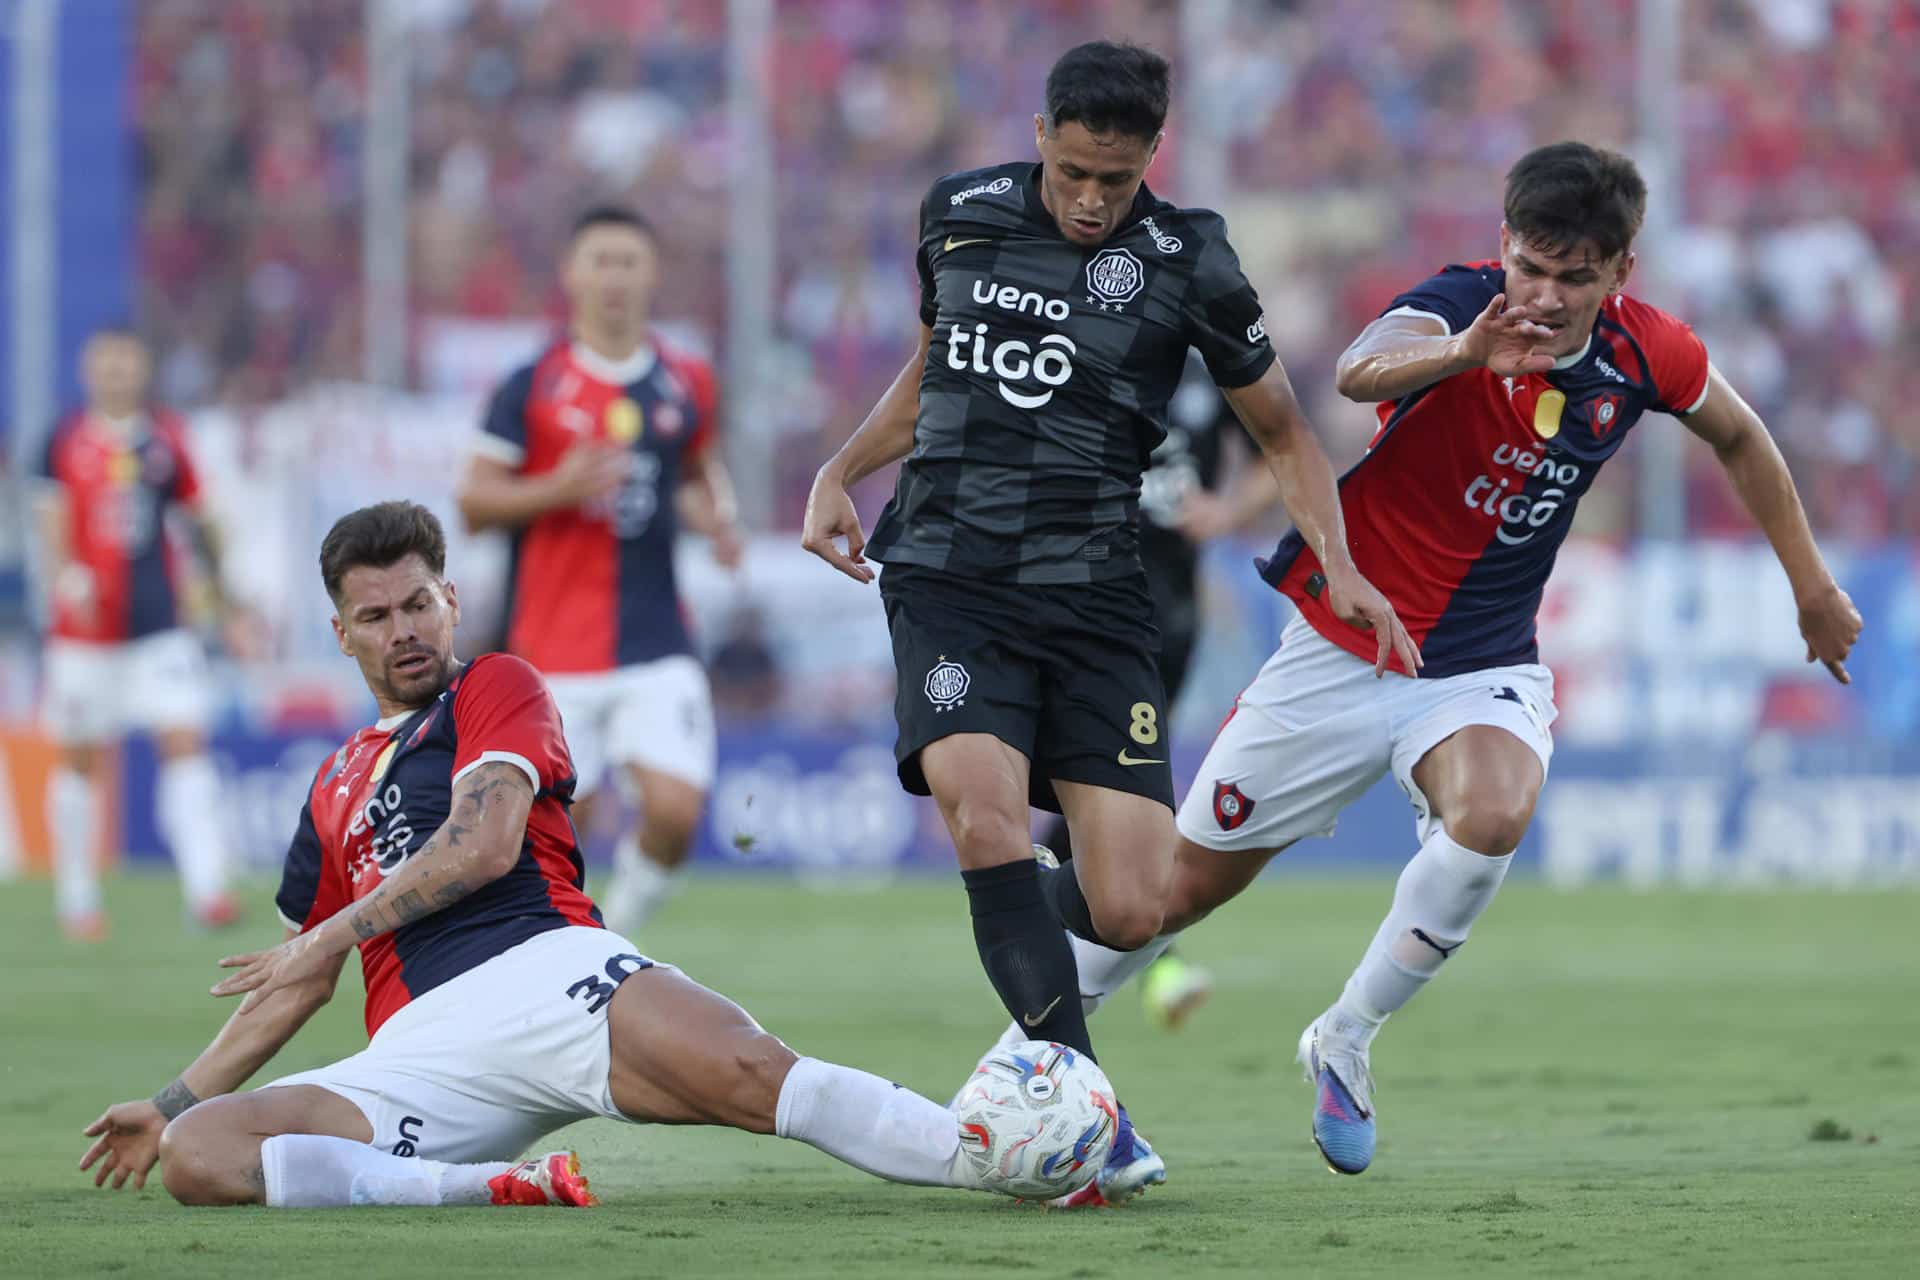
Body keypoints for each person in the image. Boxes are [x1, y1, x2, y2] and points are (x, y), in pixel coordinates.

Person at [976, 141, 1864, 1177]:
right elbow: (1359, 369)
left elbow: (1742, 436)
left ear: (1622, 271)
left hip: (1477, 664)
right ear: (1504, 248)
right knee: (1163, 896)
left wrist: (1812, 584)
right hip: (1339, 651)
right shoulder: (1459, 306)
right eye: (1531, 267)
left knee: (1493, 812)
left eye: (1575, 277)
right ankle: (1012, 1075)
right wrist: (1461, 355)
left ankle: (1344, 1035)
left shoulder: (1644, 351)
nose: (1545, 295)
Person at [800, 41, 1414, 1207]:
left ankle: (1040, 1040)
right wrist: (842, 467)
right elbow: (938, 364)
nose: (1091, 201)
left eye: (1116, 182)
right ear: (1041, 135)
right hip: (949, 572)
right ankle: (1080, 1103)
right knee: (982, 813)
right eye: (1076, 173)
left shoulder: (1191, 260)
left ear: (1150, 161)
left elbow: (1284, 433)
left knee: (1133, 901)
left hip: (1098, 593)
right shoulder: (959, 213)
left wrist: (1336, 564)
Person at [77, 502, 1001, 1209]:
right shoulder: (330, 785)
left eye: (417, 603)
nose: (401, 630)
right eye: (374, 616)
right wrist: (169, 1102)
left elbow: (482, 848)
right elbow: (294, 984)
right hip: (417, 1052)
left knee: (760, 1075)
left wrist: (326, 938)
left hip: (549, 970)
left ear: (451, 601)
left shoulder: (495, 684)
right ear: (341, 634)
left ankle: (1000, 1156)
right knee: (199, 1154)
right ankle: (494, 1186)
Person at [456, 205, 745, 936]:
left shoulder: (686, 382)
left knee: (677, 811)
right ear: (573, 275)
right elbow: (472, 504)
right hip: (552, 650)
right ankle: (556, 957)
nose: (614, 277)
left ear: (651, 275)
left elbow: (698, 469)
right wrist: (559, 488)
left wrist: (721, 518)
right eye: (601, 261)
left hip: (656, 639)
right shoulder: (531, 383)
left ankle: (613, 940)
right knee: (559, 833)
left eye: (629, 262)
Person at [1036, 354, 1285, 1031]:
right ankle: (1135, 948)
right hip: (1075, 596)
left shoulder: (1212, 367)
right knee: (1107, 780)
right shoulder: (1081, 340)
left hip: (1168, 610)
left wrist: (1229, 510)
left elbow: (1284, 448)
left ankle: (1042, 911)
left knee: (1105, 783)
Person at [31, 329, 241, 939]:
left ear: (143, 369)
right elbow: (50, 516)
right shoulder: (62, 439)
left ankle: (207, 891)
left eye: (126, 361)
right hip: (83, 635)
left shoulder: (167, 438)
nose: (116, 372)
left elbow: (199, 518)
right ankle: (77, 897)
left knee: (184, 745)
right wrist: (65, 575)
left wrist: (223, 596)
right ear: (87, 369)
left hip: (158, 629)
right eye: (105, 362)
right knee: (79, 760)